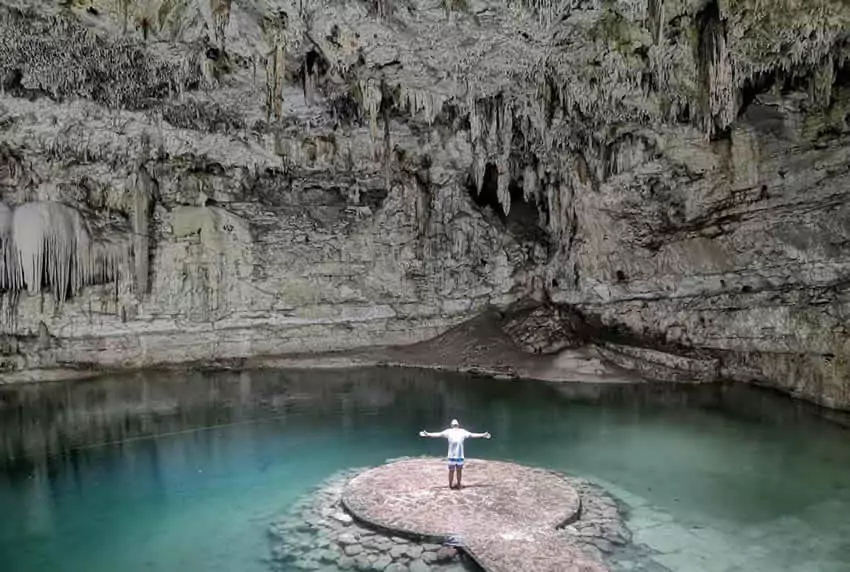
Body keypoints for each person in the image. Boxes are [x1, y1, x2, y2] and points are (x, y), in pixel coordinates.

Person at [419, 419, 491, 489]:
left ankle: (450, 485)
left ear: (451, 425)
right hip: (459, 456)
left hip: (452, 456)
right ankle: (458, 484)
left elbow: (438, 434)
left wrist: (428, 434)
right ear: (458, 425)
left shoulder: (449, 431)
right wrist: (483, 435)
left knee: (451, 471)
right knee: (459, 471)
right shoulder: (462, 431)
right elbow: (472, 435)